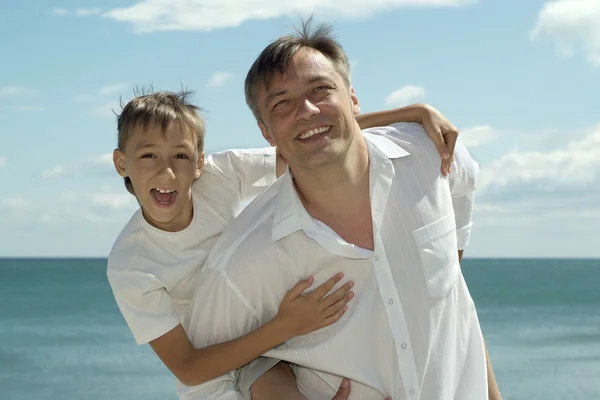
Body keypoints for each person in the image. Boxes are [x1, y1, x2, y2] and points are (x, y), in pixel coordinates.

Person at [178, 19, 503, 400]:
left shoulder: (434, 156)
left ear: (353, 99)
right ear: (266, 132)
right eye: (283, 103)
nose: (308, 109)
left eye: (321, 89)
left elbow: (452, 290)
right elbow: (201, 382)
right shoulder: (243, 262)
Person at [106, 88, 463, 398]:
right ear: (122, 163)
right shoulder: (132, 265)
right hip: (231, 355)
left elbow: (308, 141)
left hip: (273, 319)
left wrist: (414, 113)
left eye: (180, 156)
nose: (167, 172)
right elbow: (189, 368)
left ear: (199, 163)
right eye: (148, 155)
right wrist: (287, 325)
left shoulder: (219, 177)